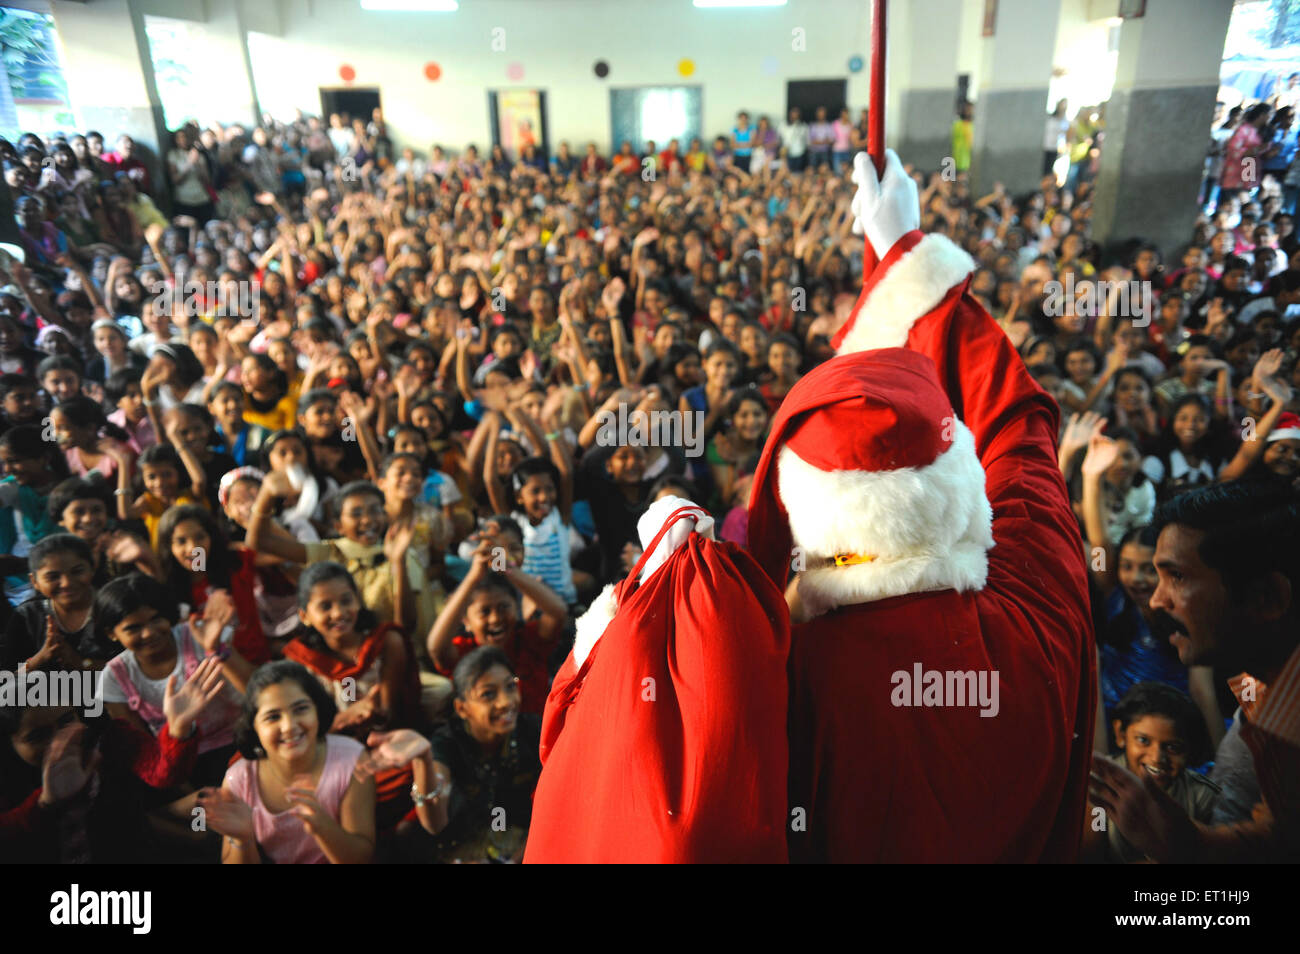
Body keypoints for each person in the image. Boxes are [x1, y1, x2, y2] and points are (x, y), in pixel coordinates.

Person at [747, 149, 1094, 862]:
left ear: (800, 507)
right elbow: (1021, 432)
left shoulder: (783, 669)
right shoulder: (1037, 598)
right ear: (956, 472)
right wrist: (909, 261)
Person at [1089, 480, 1300, 862]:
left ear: (1266, 596)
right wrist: (1192, 846)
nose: (1156, 598)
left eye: (1178, 577)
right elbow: (1278, 834)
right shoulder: (1254, 689)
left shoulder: (1287, 724)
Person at [201, 660, 376, 864]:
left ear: (318, 711)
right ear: (254, 727)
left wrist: (322, 826)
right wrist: (243, 837)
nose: (289, 726)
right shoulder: (239, 779)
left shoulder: (352, 759)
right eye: (273, 717)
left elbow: (361, 858)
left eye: (301, 709)